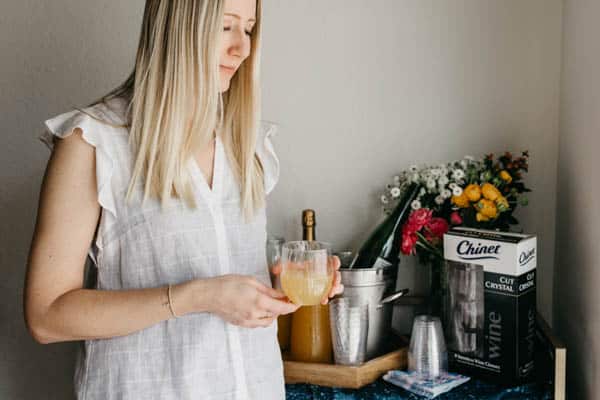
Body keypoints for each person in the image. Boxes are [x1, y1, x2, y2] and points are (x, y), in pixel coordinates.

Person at [23, 1, 344, 399]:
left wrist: (279, 287)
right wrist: (197, 297)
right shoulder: (93, 142)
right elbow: (47, 316)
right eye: (226, 27)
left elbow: (220, 264)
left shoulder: (249, 145)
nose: (242, 48)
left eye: (249, 29)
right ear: (179, 30)